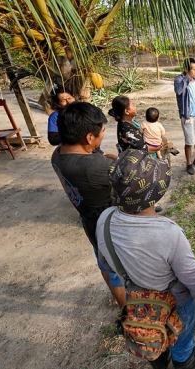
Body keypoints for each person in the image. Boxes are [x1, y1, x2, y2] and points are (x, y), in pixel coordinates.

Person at [96, 149, 195, 369]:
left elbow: (106, 263)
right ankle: (185, 364)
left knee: (148, 334)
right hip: (173, 301)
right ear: (155, 193)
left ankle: (159, 362)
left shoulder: (105, 219)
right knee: (182, 339)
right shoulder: (168, 233)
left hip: (135, 297)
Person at [51, 102, 125, 308]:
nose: (103, 135)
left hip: (89, 223)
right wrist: (117, 160)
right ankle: (129, 310)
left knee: (104, 264)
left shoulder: (57, 155)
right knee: (117, 269)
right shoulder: (96, 167)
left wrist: (99, 155)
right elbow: (131, 177)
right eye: (102, 132)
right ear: (89, 138)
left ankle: (121, 304)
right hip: (110, 227)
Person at [174, 57, 195, 175]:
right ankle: (188, 164)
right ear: (187, 70)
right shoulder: (179, 80)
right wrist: (187, 79)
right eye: (193, 69)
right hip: (188, 117)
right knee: (189, 142)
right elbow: (179, 91)